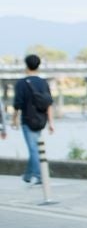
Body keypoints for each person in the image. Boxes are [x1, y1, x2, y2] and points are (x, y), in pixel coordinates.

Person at [11, 54, 56, 185]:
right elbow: (49, 103)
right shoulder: (43, 83)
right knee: (35, 147)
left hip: (27, 120)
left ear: (26, 65)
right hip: (41, 120)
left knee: (33, 148)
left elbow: (18, 104)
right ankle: (28, 175)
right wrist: (51, 123)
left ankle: (39, 174)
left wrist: (14, 120)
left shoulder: (21, 83)